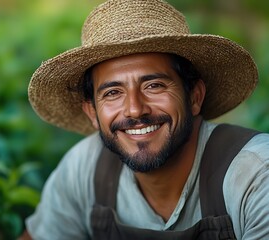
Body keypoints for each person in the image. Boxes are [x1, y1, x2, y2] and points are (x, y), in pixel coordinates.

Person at [22, 0, 269, 239]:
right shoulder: (84, 169)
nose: (135, 109)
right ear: (92, 114)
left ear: (194, 97)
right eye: (112, 92)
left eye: (154, 85)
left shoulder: (256, 174)